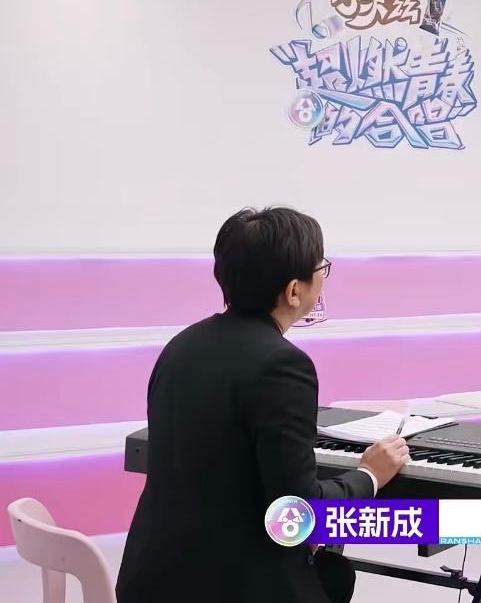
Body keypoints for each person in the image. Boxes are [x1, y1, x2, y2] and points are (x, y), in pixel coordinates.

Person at [116, 208, 410, 603]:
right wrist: (369, 475)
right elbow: (298, 516)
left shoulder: (181, 346)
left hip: (151, 580)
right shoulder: (282, 365)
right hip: (233, 586)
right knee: (340, 571)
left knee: (333, 571)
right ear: (294, 291)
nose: (323, 278)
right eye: (321, 268)